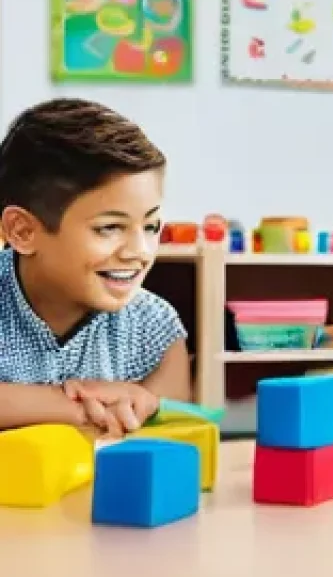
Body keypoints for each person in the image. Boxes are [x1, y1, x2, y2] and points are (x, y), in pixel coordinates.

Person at [0, 97, 191, 436]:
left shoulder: (156, 329)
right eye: (110, 227)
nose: (139, 252)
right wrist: (70, 407)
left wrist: (147, 403)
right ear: (23, 231)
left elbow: (174, 430)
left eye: (150, 226)